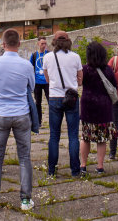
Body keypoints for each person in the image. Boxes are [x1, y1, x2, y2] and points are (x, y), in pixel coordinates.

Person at [0, 29, 36, 212]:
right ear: (19, 44)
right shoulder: (26, 65)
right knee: (24, 157)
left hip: (0, 114)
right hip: (21, 114)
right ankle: (25, 199)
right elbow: (31, 86)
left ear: (3, 45)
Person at [44, 30, 83, 178]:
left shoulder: (47, 57)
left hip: (54, 97)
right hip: (71, 97)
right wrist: (72, 83)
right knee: (73, 135)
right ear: (68, 41)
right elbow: (80, 78)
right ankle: (75, 170)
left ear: (54, 41)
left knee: (54, 135)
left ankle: (51, 170)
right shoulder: (75, 57)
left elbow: (47, 79)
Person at [79, 41, 118, 174]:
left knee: (86, 137)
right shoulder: (108, 70)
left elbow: (78, 83)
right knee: (102, 139)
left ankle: (83, 164)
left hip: (88, 105)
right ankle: (100, 166)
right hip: (104, 107)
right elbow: (114, 86)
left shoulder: (85, 69)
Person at [29, 36, 50, 124]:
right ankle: (38, 121)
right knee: (38, 102)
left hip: (47, 81)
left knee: (51, 102)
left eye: (45, 43)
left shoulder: (49, 54)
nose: (44, 45)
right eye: (42, 43)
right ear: (38, 44)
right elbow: (30, 68)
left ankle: (53, 120)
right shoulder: (34, 55)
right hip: (37, 82)